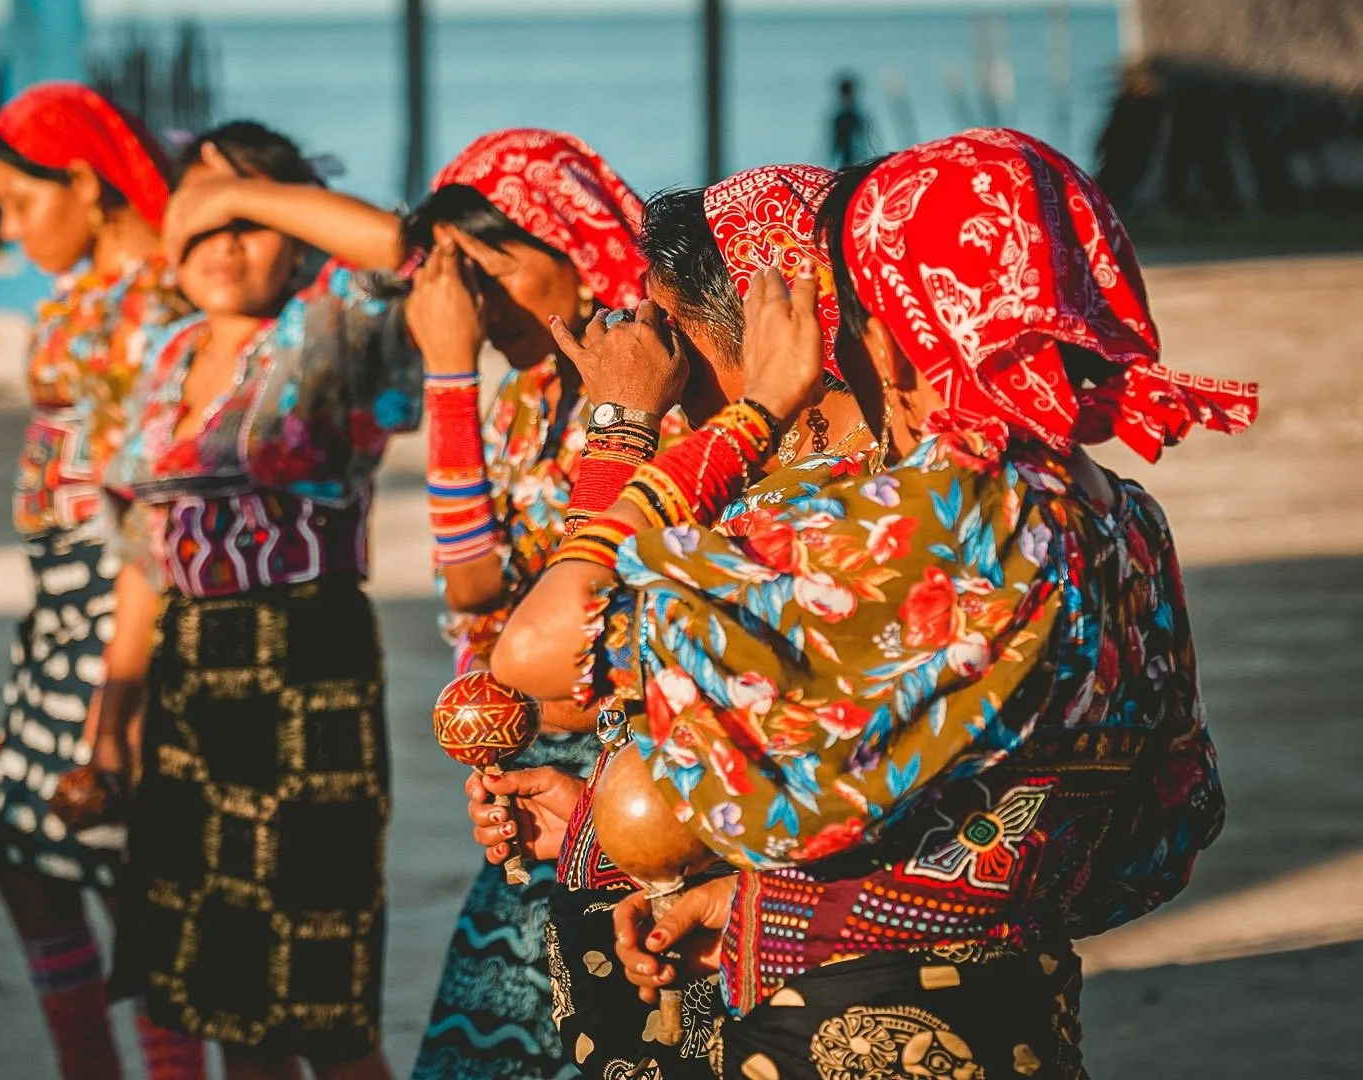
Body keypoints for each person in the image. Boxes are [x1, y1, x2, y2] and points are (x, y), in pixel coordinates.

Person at [488, 128, 1256, 1078]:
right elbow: (1158, 827)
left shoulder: (914, 520)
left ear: (888, 325)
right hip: (1015, 1024)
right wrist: (761, 899)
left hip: (839, 1034)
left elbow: (542, 647)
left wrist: (733, 411)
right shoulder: (1124, 519)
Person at [97, 121, 417, 1080]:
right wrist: (112, 716)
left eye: (252, 217)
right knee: (228, 988)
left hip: (307, 669)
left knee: (323, 993)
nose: (226, 241)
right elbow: (144, 553)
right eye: (203, 220)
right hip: (193, 676)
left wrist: (232, 192)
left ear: (293, 225)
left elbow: (403, 246)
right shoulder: (164, 350)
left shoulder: (328, 327)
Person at [461, 164, 871, 898]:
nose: (659, 358)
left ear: (764, 332)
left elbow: (553, 660)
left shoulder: (811, 506)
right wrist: (596, 821)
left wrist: (624, 424)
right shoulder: (761, 482)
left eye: (670, 329)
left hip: (787, 948)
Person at [402, 127, 686, 1080]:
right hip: (534, 761)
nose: (479, 306)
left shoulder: (664, 389)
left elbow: (498, 589)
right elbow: (469, 583)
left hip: (637, 762)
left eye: (499, 269)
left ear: (572, 240)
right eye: (461, 284)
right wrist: (455, 382)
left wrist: (447, 376)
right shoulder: (521, 401)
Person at [0, 82, 207, 1080]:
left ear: (84, 183)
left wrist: (128, 687)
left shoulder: (162, 299)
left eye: (21, 206)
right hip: (59, 612)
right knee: (27, 857)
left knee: (113, 867)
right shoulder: (88, 297)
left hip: (120, 608)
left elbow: (154, 485)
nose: (9, 231)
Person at [829, 75, 872, 170]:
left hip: (854, 161)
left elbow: (863, 142)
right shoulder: (842, 118)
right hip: (847, 162)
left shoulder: (853, 118)